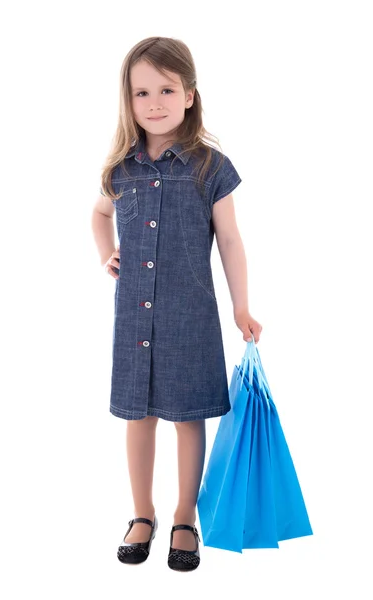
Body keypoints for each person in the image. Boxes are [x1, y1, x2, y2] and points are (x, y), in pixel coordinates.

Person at [91, 36, 262, 572]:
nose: (155, 102)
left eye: (167, 89)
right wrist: (106, 254)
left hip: (191, 319)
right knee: (137, 417)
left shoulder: (211, 167)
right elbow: (98, 214)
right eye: (142, 92)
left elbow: (231, 240)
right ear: (129, 99)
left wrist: (242, 308)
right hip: (132, 319)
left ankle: (184, 514)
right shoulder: (122, 169)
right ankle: (142, 512)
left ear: (189, 94)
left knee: (189, 418)